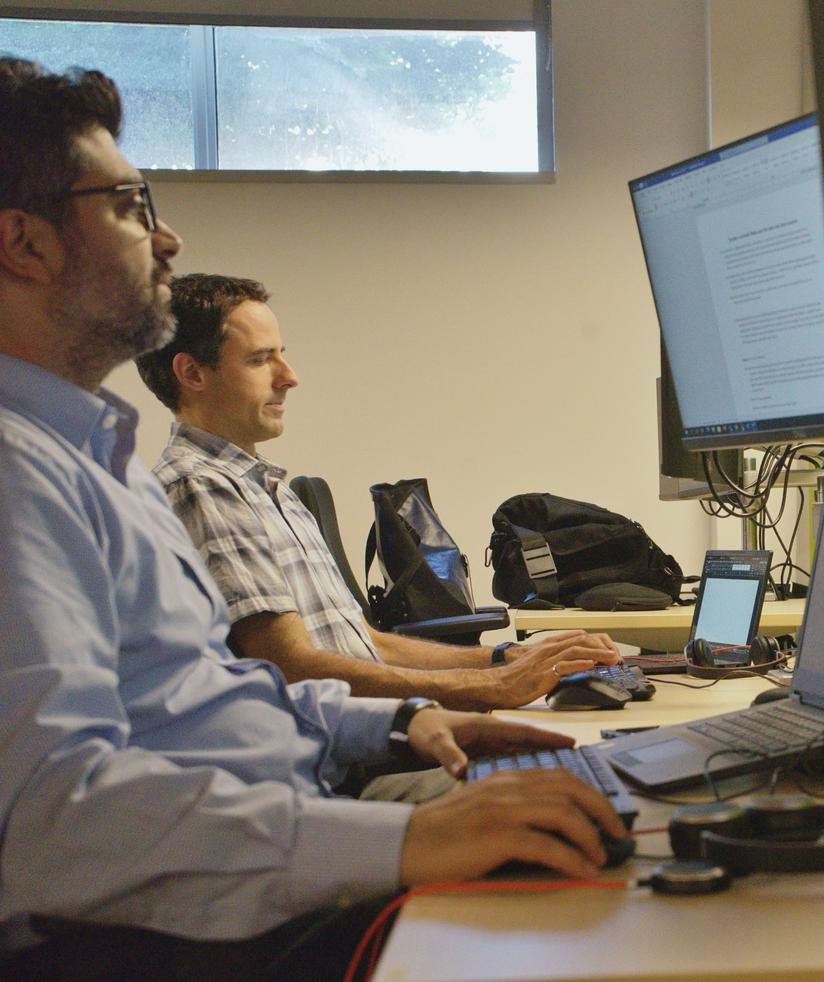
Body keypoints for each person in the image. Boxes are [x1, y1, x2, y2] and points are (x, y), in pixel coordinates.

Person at [0, 58, 623, 979]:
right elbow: (53, 823)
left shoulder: (100, 459)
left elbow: (210, 701)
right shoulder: (19, 473)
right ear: (27, 244)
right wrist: (400, 844)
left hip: (274, 832)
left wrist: (398, 720)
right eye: (132, 204)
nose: (166, 237)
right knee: (619, 904)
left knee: (630, 829)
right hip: (179, 934)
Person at [134, 272, 619, 712]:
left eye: (282, 353)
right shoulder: (202, 487)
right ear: (192, 374)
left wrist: (503, 658)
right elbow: (292, 667)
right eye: (261, 359)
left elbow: (365, 642)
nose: (290, 376)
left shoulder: (265, 486)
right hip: (335, 766)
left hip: (374, 733)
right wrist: (492, 690)